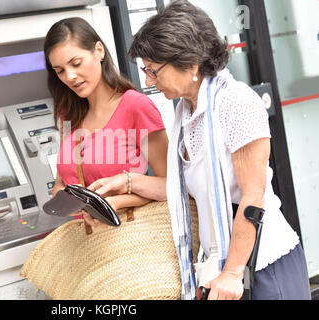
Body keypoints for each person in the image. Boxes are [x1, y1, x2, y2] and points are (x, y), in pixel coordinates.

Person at [88, 0, 311, 300]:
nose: (147, 81)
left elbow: (253, 198)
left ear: (191, 63)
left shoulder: (236, 102)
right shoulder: (186, 114)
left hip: (261, 266)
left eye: (153, 71)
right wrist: (125, 184)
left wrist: (232, 273)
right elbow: (188, 189)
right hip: (221, 265)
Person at [44, 17, 168, 227]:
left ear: (99, 50)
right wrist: (67, 200)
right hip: (86, 246)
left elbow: (170, 186)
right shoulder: (68, 115)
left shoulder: (135, 106)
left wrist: (116, 203)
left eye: (76, 63)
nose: (70, 76)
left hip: (131, 239)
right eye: (60, 71)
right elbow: (60, 183)